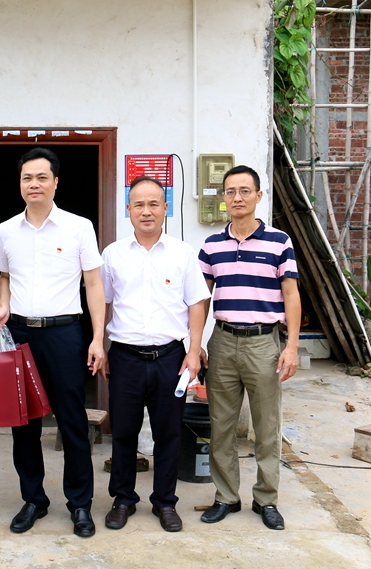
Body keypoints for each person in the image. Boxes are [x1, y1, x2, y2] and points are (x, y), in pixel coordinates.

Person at [0, 147, 106, 538]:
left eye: (42, 177)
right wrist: (3, 305)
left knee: (72, 420)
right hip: (20, 334)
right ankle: (33, 500)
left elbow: (93, 284)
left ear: (56, 182)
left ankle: (80, 504)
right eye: (27, 178)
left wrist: (97, 338)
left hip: (63, 334)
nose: (34, 184)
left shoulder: (78, 227)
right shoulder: (7, 229)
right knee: (23, 422)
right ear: (20, 184)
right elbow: (4, 277)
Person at [100, 177, 210, 533]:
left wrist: (193, 351)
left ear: (165, 208)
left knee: (168, 433)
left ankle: (164, 502)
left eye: (153, 204)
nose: (146, 211)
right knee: (123, 432)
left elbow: (197, 302)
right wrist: (100, 345)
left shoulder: (182, 253)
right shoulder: (113, 254)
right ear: (128, 210)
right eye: (138, 205)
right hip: (125, 357)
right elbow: (102, 303)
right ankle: (123, 499)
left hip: (170, 358)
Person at [198, 165, 300, 531]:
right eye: (230, 191)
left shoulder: (279, 242)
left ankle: (266, 499)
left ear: (258, 196)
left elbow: (291, 295)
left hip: (264, 343)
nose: (237, 198)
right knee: (221, 425)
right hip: (223, 341)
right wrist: (195, 346)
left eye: (244, 191)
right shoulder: (211, 246)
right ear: (223, 198)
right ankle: (226, 496)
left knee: (266, 426)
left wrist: (292, 346)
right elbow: (200, 300)